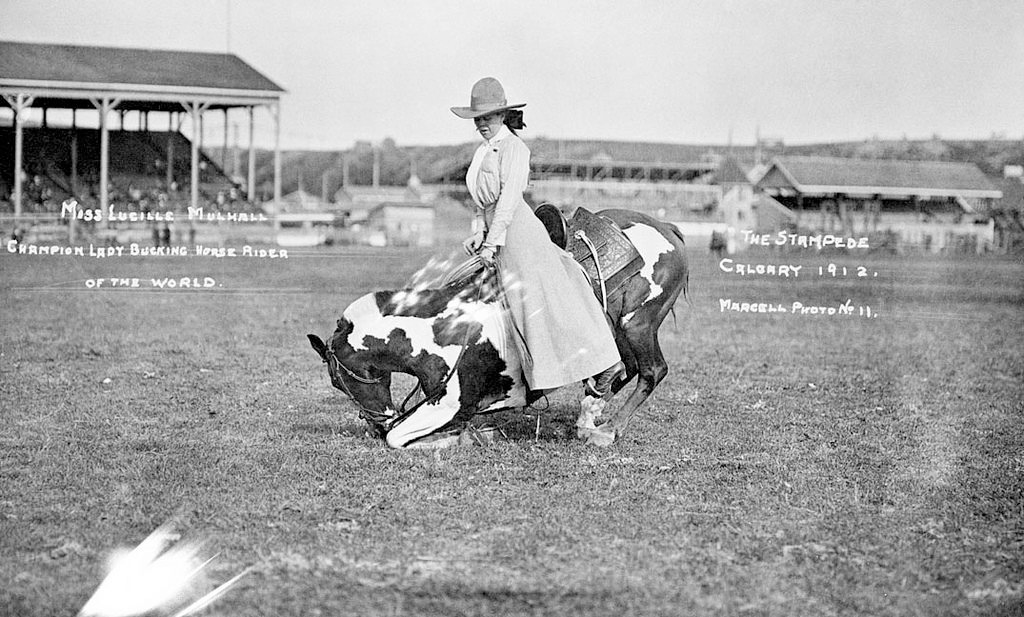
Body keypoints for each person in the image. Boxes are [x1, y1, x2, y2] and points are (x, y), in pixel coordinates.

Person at [452, 77, 623, 396]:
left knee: (539, 301)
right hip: (497, 232)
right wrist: (478, 233)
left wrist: (492, 242)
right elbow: (481, 202)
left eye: (487, 118)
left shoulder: (516, 149)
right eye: (477, 119)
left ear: (502, 116)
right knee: (507, 307)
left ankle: (603, 361)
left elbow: (507, 201)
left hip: (517, 230)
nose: (482, 124)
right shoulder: (481, 152)